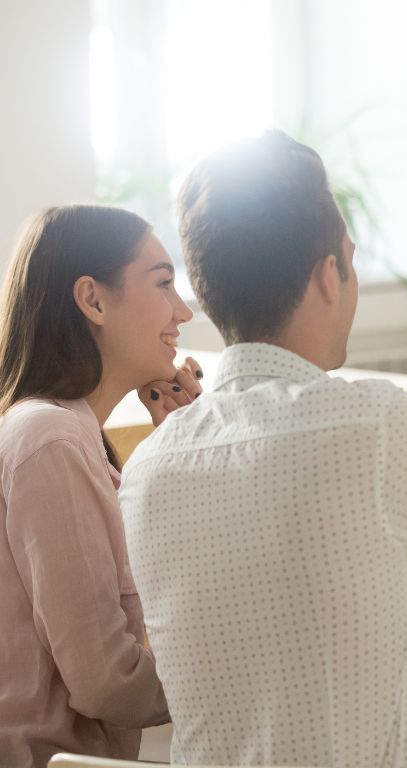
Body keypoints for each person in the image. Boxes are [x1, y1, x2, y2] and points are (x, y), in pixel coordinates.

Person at [118, 131, 407, 768]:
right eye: (351, 257)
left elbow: (286, 634)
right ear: (327, 274)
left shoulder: (147, 469)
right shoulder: (367, 421)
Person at [0, 205, 202, 767]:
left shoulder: (67, 437)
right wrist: (239, 680)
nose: (182, 311)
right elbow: (106, 681)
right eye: (163, 283)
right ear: (92, 300)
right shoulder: (52, 442)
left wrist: (181, 449)